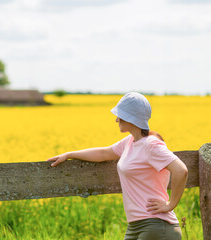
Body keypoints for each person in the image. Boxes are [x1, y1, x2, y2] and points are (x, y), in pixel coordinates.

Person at [47, 92, 188, 240]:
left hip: (157, 226)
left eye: (120, 115)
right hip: (135, 226)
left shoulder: (151, 144)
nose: (116, 119)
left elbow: (181, 170)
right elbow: (103, 153)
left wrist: (170, 204)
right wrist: (69, 155)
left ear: (131, 118)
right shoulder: (130, 142)